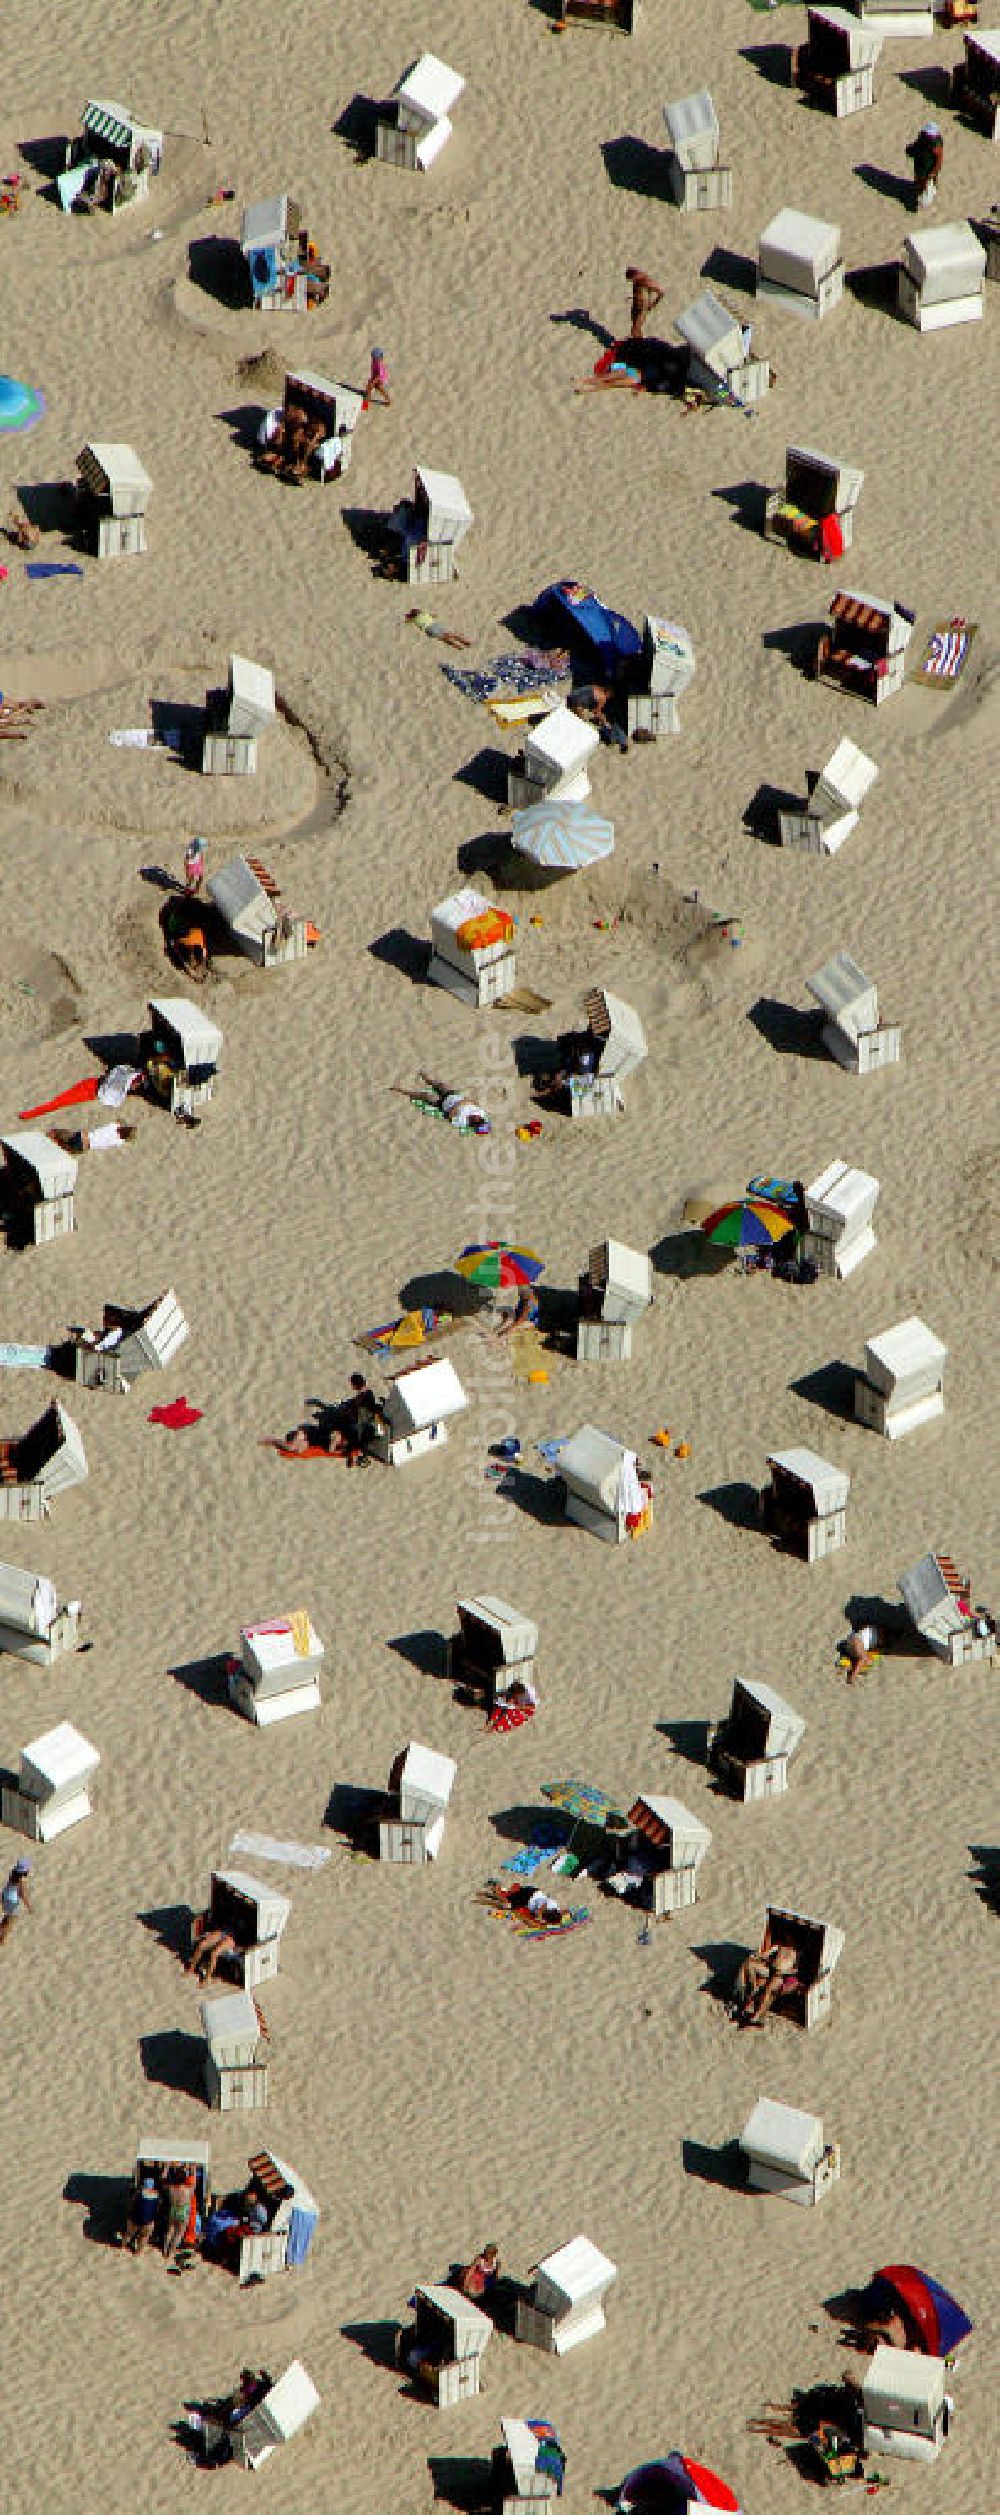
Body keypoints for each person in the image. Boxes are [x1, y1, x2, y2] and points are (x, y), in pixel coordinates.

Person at [735, 1938, 800, 2026]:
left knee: (769, 1990)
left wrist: (786, 1971)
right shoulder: (779, 1947)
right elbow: (765, 1955)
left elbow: (796, 1970)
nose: (789, 1940)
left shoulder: (796, 1953)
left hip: (782, 1975)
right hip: (770, 1970)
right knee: (749, 1964)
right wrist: (763, 1958)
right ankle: (750, 1992)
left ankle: (756, 2017)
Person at [162, 2165, 198, 2262]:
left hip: (173, 2210)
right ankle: (171, 2251)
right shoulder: (188, 2190)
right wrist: (193, 2170)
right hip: (183, 2213)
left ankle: (165, 2250)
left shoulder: (171, 2189)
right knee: (178, 2234)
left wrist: (167, 2167)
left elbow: (163, 2179)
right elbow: (194, 2181)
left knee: (170, 2231)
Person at [906, 123, 943, 212]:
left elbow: (939, 159)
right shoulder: (922, 136)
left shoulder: (936, 144)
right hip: (920, 163)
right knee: (919, 179)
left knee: (925, 182)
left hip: (928, 167)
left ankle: (919, 197)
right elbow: (917, 145)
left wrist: (933, 171)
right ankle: (919, 191)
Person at [125, 2172, 162, 2254]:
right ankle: (137, 2253)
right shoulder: (157, 2195)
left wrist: (128, 2213)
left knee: (128, 2233)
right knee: (144, 2237)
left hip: (136, 2217)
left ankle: (122, 2247)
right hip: (148, 2220)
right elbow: (158, 2208)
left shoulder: (139, 2193)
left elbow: (131, 2204)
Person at [0, 1857, 32, 1944]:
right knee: (10, 1923)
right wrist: (29, 1906)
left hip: (5, 1896)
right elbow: (22, 1894)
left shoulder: (13, 1872)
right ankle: (2, 1937)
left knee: (7, 1917)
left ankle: (2, 1938)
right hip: (12, 1901)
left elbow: (8, 1886)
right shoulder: (21, 1880)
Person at [626, 265, 664, 338]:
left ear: (635, 275)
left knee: (635, 329)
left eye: (632, 279)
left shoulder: (646, 281)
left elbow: (661, 293)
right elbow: (640, 291)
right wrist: (633, 297)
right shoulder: (637, 279)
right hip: (636, 305)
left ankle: (639, 345)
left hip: (642, 308)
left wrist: (653, 304)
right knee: (636, 327)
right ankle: (639, 342)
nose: (632, 281)